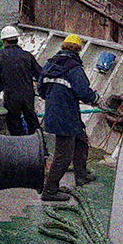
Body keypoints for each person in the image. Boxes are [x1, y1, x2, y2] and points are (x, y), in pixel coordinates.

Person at [39, 34, 98, 201]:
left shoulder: (50, 64)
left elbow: (41, 89)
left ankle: (81, 175)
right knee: (63, 156)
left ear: (63, 47)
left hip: (54, 113)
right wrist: (95, 98)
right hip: (67, 116)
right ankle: (50, 190)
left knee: (81, 141)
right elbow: (83, 92)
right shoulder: (74, 68)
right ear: (78, 50)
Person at [0, 25, 41, 135]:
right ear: (17, 40)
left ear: (4, 41)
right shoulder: (27, 56)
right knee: (32, 120)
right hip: (28, 94)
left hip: (11, 96)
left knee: (14, 123)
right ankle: (40, 144)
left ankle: (19, 146)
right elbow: (39, 74)